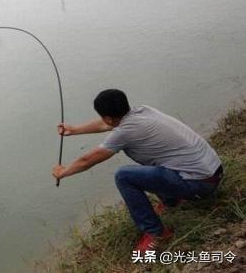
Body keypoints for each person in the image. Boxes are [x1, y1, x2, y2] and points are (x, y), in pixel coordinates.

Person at [52, 89, 223, 252]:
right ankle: (172, 201)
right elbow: (107, 125)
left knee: (124, 176)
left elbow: (88, 160)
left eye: (105, 118)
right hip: (213, 172)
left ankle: (156, 233)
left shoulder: (124, 132)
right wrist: (74, 130)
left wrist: (64, 172)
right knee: (154, 155)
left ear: (108, 117)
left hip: (200, 185)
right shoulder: (142, 111)